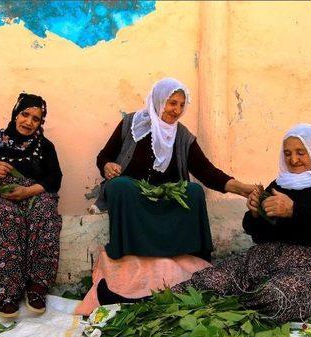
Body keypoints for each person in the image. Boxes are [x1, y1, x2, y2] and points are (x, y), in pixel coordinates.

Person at [174, 123, 311, 323]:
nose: (293, 160)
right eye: (287, 153)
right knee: (208, 282)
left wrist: (293, 211)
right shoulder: (281, 184)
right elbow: (260, 235)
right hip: (275, 257)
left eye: (301, 153)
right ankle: (174, 306)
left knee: (274, 297)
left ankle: (234, 311)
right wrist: (255, 215)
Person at [95, 77, 254, 262]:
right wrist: (107, 166)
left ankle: (191, 256)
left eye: (181, 105)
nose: (177, 110)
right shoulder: (132, 123)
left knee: (193, 191)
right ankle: (129, 254)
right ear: (159, 100)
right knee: (119, 186)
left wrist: (242, 189)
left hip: (165, 201)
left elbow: (206, 171)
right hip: (134, 198)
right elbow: (103, 157)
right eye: (172, 103)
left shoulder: (183, 136)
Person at [0, 93, 63, 317]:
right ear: (16, 113)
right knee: (6, 215)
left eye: (36, 118)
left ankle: (37, 287)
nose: (29, 122)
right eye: (25, 114)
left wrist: (28, 191)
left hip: (31, 195)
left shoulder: (45, 147)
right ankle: (5, 292)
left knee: (45, 212)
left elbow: (55, 179)